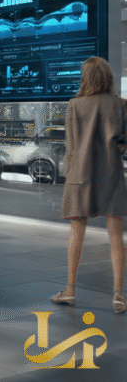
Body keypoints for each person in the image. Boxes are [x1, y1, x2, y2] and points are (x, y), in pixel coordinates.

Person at [51, 57, 127, 314]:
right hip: (112, 174)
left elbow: (71, 146)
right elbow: (124, 142)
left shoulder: (74, 105)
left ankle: (70, 290)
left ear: (86, 78)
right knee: (116, 235)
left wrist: (69, 175)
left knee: (77, 232)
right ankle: (118, 295)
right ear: (107, 77)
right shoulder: (121, 105)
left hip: (80, 175)